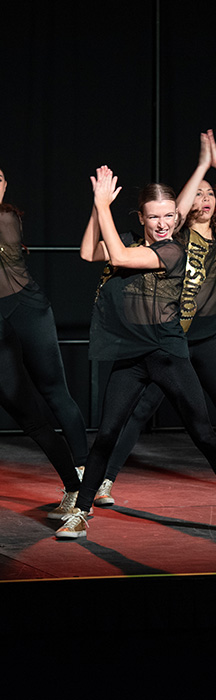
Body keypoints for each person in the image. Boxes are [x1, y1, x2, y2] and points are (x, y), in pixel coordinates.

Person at [56, 143, 216, 540]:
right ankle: (80, 513)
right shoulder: (128, 239)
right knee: (106, 434)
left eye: (169, 216)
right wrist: (96, 204)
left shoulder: (174, 249)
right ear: (141, 217)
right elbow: (91, 251)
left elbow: (119, 258)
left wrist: (104, 206)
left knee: (204, 435)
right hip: (131, 356)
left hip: (168, 353)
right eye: (154, 217)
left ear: (177, 216)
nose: (163, 224)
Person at [0, 167, 88, 501]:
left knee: (53, 389)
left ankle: (83, 470)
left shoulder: (6, 216)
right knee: (23, 407)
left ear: (5, 186)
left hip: (26, 307)